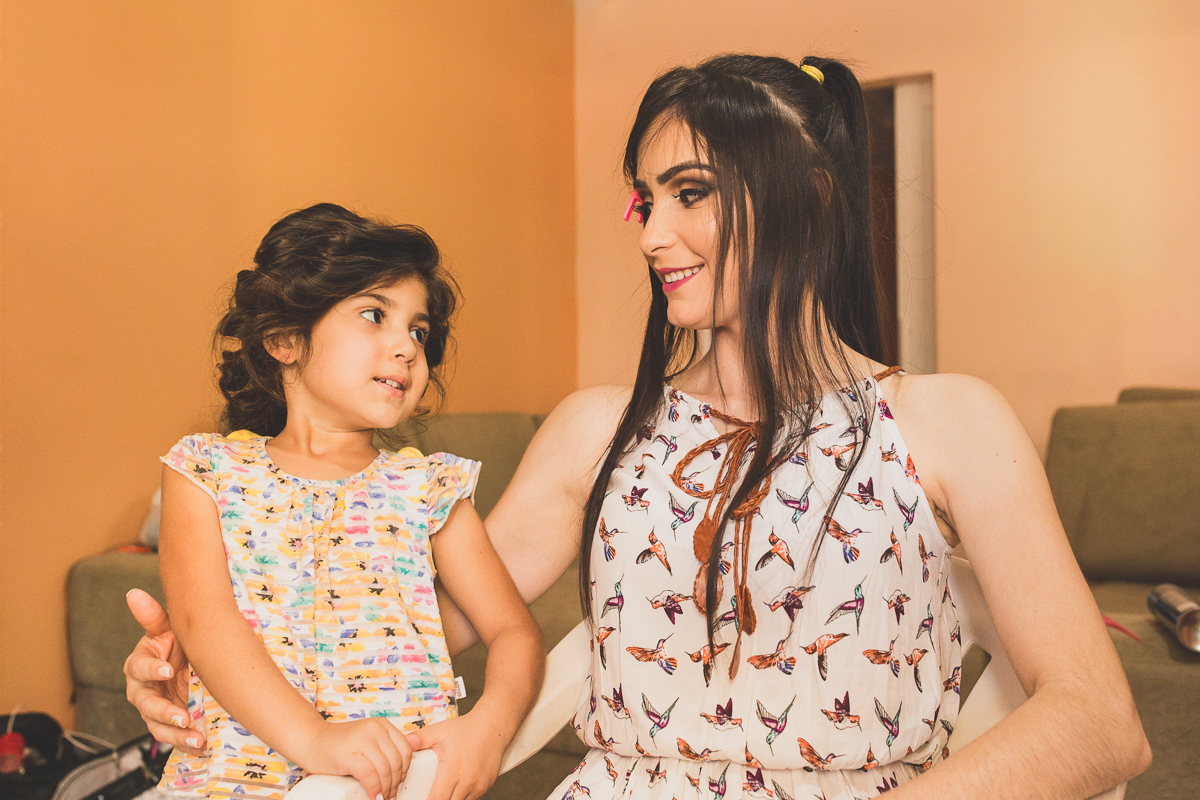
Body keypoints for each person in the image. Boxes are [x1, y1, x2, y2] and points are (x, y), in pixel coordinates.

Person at [127, 57, 1150, 799]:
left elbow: (1102, 722)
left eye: (690, 194)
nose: (653, 235)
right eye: (644, 201)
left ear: (807, 196)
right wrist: (192, 671)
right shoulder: (594, 432)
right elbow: (396, 619)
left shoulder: (950, 419)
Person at [142, 203, 544, 800]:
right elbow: (205, 625)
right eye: (375, 315)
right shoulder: (206, 471)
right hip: (228, 785)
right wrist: (315, 741)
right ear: (284, 339)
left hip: (396, 787)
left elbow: (514, 631)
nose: (407, 347)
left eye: (419, 330)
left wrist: (489, 727)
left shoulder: (428, 488)